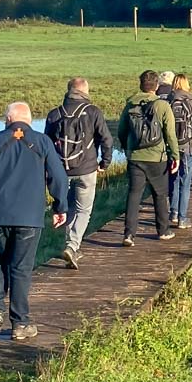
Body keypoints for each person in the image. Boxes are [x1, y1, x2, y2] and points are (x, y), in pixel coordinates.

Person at [0, 102, 68, 341]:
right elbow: (59, 177)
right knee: (20, 269)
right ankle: (20, 323)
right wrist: (59, 206)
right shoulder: (42, 142)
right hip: (30, 218)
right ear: (29, 120)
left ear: (8, 119)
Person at [43, 77, 113, 269]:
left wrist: (48, 170)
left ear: (69, 91)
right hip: (87, 169)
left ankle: (70, 244)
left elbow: (46, 145)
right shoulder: (93, 112)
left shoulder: (54, 114)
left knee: (67, 207)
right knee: (83, 210)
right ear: (85, 92)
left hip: (61, 171)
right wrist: (105, 162)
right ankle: (72, 245)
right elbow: (107, 139)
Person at [118, 70, 180, 246]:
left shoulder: (130, 104)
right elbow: (170, 134)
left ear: (140, 85)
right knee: (160, 194)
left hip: (135, 157)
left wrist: (127, 148)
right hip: (157, 157)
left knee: (134, 194)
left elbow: (122, 131)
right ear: (156, 86)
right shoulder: (162, 105)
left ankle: (129, 235)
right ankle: (163, 230)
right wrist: (175, 156)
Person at [166, 73, 192, 229]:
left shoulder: (167, 102)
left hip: (171, 148)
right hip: (188, 146)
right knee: (185, 182)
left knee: (173, 179)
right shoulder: (191, 103)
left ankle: (174, 212)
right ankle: (183, 218)